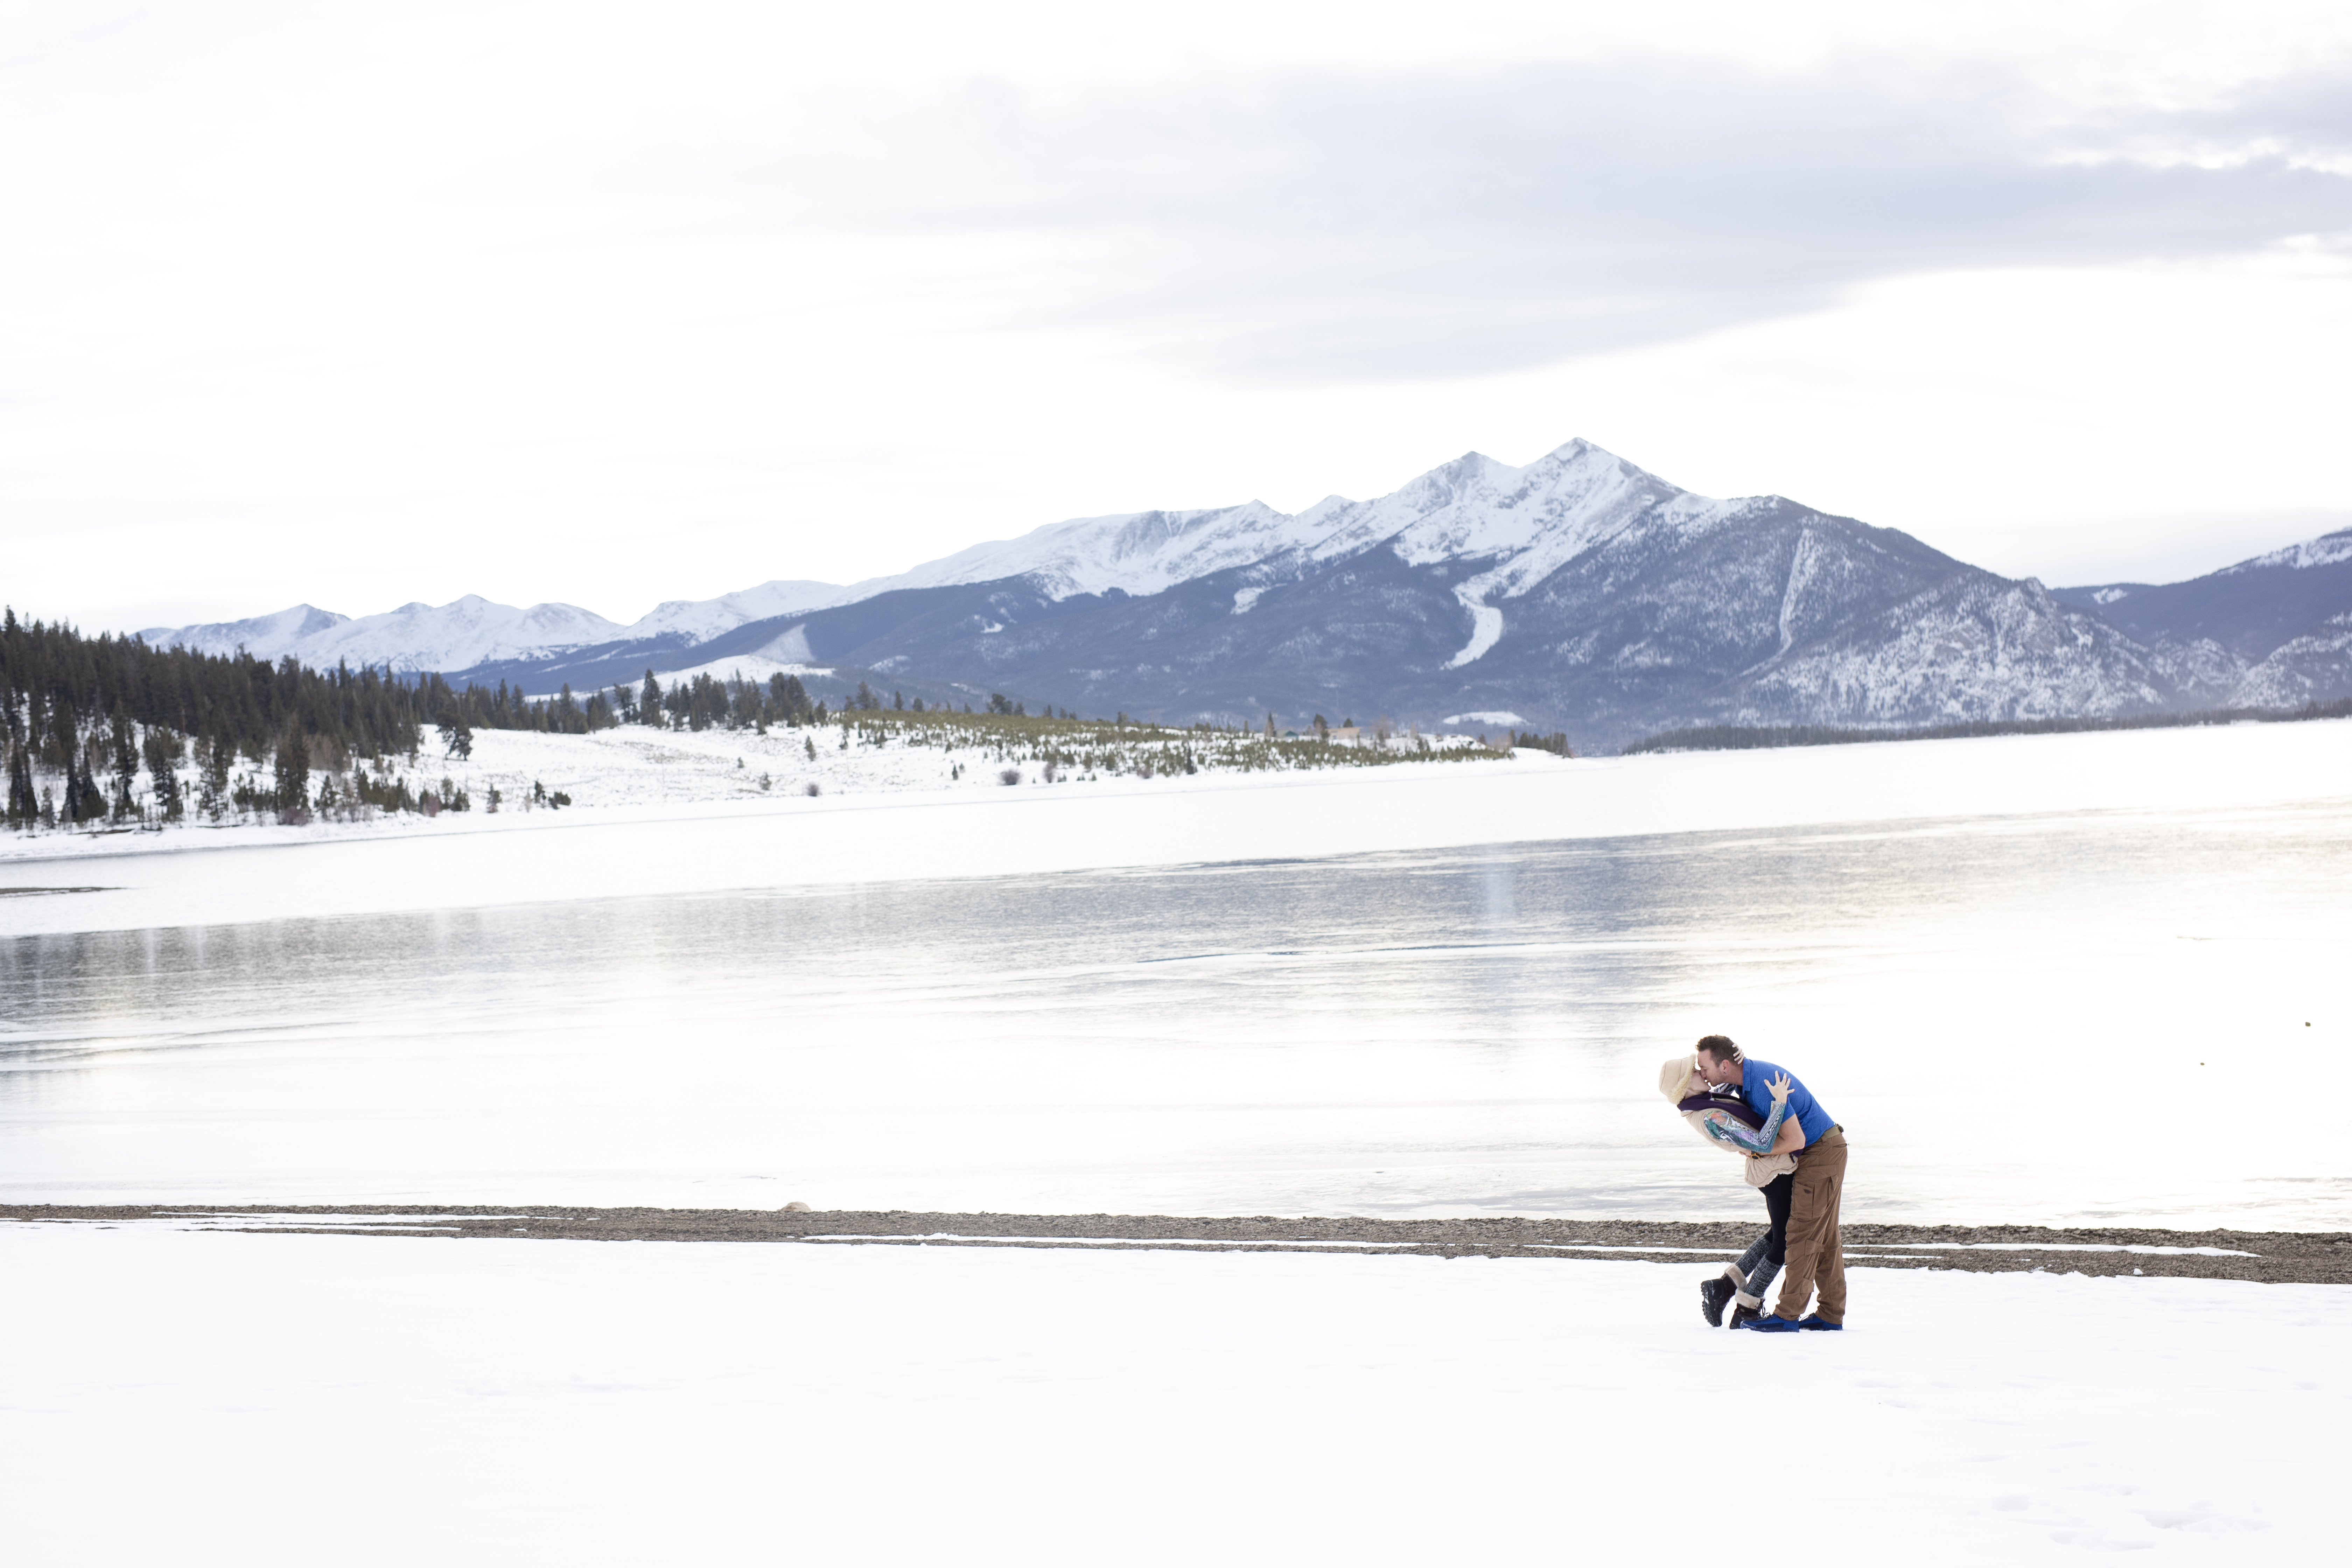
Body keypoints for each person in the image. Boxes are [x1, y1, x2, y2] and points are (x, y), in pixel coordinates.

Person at [1692, 1034, 1846, 1332]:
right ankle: (1830, 1314)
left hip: (1819, 1154)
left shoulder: (1763, 1085)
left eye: (1705, 1068)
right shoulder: (1739, 1079)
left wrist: (1755, 1150)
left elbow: (1796, 1140)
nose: (1703, 1075)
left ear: (1724, 1066)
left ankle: (1787, 1316)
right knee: (1824, 1239)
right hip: (1822, 1151)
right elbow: (1722, 1089)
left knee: (1799, 1235)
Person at [1657, 1055, 1799, 1328]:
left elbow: (1727, 1083)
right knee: (1783, 1243)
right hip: (1774, 1172)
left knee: (1776, 1236)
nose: (1701, 1072)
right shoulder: (1712, 1117)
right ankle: (1748, 1306)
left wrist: (1734, 1061)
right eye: (1694, 1072)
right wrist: (1780, 1102)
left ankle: (1723, 1287)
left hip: (1770, 1170)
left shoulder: (1702, 1101)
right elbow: (1762, 1142)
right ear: (1686, 1086)